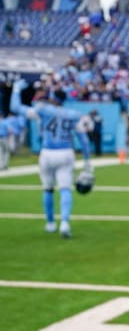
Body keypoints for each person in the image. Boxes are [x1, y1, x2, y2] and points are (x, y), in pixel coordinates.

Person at [10, 80, 92, 238]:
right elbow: (83, 139)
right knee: (65, 189)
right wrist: (87, 159)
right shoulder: (73, 115)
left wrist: (15, 89)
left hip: (47, 152)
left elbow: (15, 108)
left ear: (52, 98)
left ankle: (50, 223)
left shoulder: (42, 110)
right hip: (66, 151)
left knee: (48, 188)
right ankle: (65, 223)